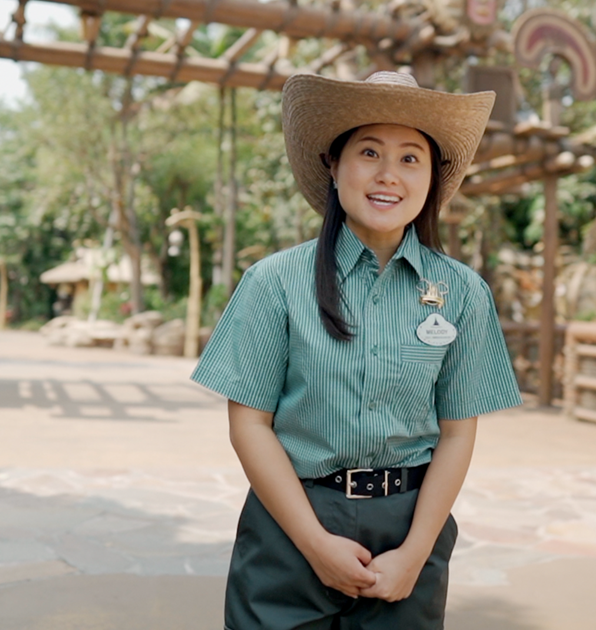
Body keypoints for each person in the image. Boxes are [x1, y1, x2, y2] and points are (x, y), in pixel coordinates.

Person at [191, 70, 523, 629]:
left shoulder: (463, 293)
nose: (388, 175)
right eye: (369, 152)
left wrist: (416, 553)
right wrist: (315, 544)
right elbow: (249, 425)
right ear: (334, 165)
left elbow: (459, 432)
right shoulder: (274, 283)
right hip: (291, 523)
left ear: (431, 178)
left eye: (410, 158)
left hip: (410, 525)